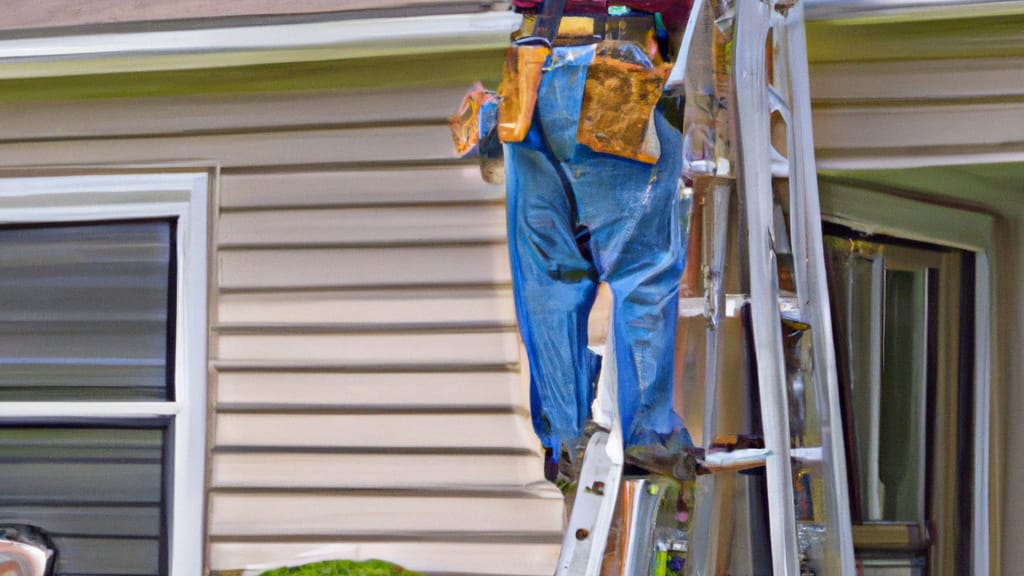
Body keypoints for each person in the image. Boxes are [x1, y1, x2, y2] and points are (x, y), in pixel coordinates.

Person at [499, 0, 695, 474]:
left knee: (549, 280)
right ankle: (646, 435)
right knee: (643, 268)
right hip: (614, 69)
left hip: (530, 73)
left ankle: (566, 438)